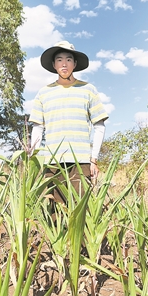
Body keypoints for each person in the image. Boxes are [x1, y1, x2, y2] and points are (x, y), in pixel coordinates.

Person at [29, 41, 108, 202]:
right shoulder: (43, 93)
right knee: (55, 212)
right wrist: (35, 159)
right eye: (59, 59)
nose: (64, 63)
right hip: (53, 162)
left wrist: (93, 159)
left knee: (80, 211)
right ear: (53, 64)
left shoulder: (88, 89)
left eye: (68, 59)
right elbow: (38, 128)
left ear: (75, 64)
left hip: (81, 162)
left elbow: (99, 126)